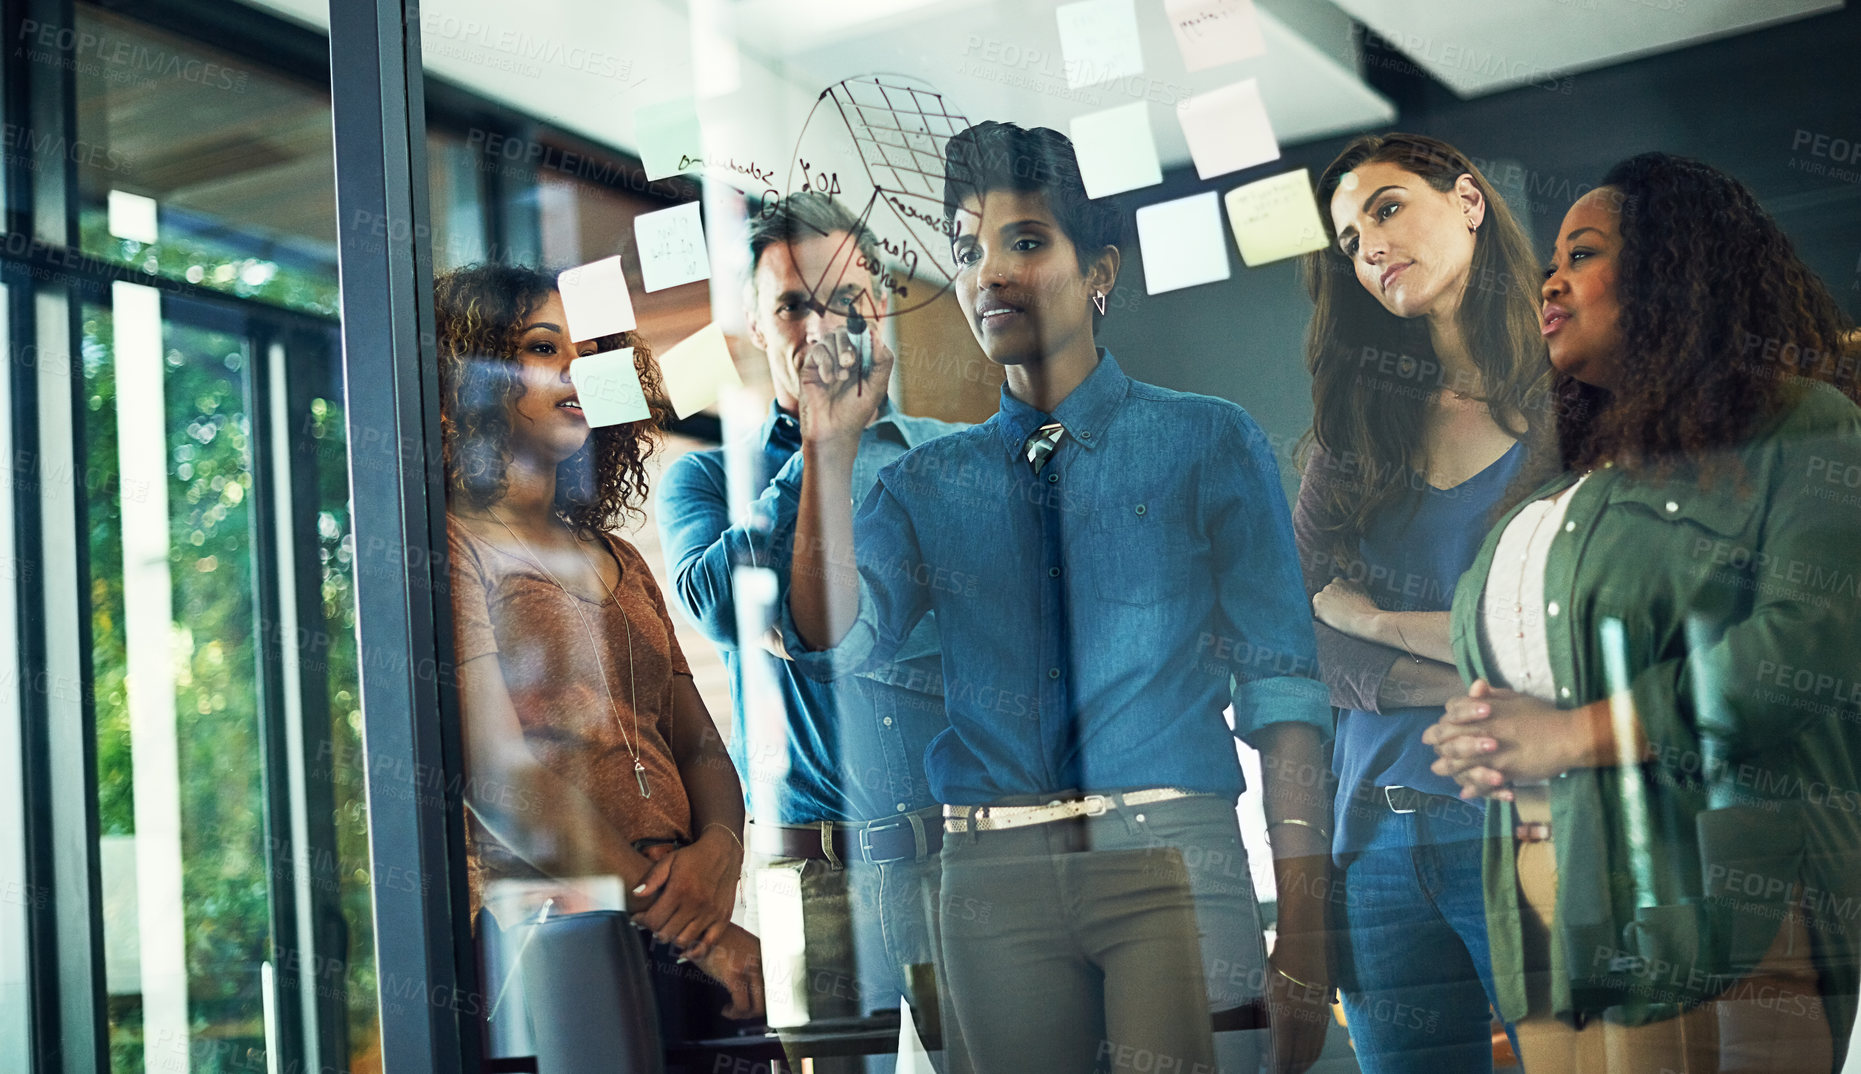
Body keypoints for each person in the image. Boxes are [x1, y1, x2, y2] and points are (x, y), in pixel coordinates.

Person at [780, 120, 1336, 1074]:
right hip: (989, 879)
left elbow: (1283, 688)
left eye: (1025, 241)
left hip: (1172, 853)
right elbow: (831, 642)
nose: (988, 272)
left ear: (1100, 270)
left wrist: (1308, 932)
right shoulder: (921, 484)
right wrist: (825, 454)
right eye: (965, 250)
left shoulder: (1206, 441)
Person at [1425, 154, 1861, 1072]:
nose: (1550, 279)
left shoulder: (1798, 423)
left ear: (1675, 269)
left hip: (1717, 879)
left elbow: (1813, 642)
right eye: (1549, 259)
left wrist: (1567, 736)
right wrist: (1477, 739)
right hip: (1547, 886)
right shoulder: (1568, 485)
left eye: (1580, 254)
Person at [656, 191, 965, 1057]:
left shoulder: (954, 460)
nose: (820, 323)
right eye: (792, 304)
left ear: (880, 309)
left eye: (843, 297)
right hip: (813, 875)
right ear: (760, 328)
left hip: (961, 862)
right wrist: (816, 451)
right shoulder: (709, 483)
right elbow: (720, 607)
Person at [434, 263, 764, 1021]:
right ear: (465, 379)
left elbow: (701, 749)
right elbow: (499, 777)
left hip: (672, 929)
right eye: (543, 349)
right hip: (550, 937)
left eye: (591, 353)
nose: (576, 373)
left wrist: (720, 854)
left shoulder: (622, 558)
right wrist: (688, 924)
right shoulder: (450, 545)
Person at [1291, 133, 1546, 1071]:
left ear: (1468, 200)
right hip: (1374, 847)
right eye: (1350, 240)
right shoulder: (1355, 426)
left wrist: (1373, 622)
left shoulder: (1579, 400)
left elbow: (1565, 636)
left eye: (1387, 208)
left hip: (1532, 826)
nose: (1370, 248)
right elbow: (1292, 636)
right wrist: (1458, 673)